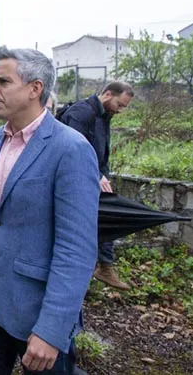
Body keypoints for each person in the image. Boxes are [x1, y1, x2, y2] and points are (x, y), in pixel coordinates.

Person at [0, 46, 100, 375]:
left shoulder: (70, 149)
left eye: (3, 81)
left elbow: (77, 250)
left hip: (38, 312)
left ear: (35, 88)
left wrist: (52, 329)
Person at [60, 82, 134, 290]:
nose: (120, 110)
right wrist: (97, 175)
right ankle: (81, 274)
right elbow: (71, 150)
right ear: (108, 94)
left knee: (108, 215)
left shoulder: (104, 116)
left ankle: (104, 266)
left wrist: (104, 174)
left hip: (94, 178)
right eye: (120, 104)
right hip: (75, 180)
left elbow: (102, 151)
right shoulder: (81, 113)